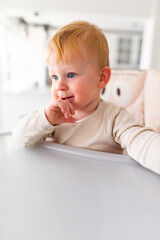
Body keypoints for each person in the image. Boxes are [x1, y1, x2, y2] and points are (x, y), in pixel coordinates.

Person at [12, 21, 160, 174]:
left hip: (101, 189)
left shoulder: (114, 117)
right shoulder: (55, 116)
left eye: (70, 75)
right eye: (55, 77)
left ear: (101, 77)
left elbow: (142, 142)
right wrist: (46, 119)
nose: (59, 86)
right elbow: (19, 139)